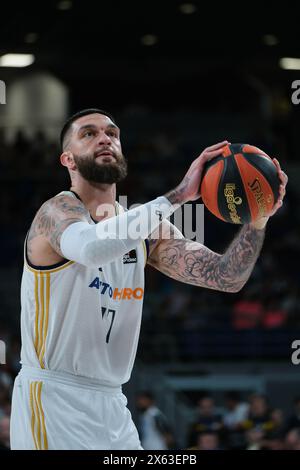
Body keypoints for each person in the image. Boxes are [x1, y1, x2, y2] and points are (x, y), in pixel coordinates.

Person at [10, 108, 288, 450]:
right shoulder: (55, 213)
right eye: (89, 134)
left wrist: (257, 219)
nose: (104, 138)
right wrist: (180, 195)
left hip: (113, 404)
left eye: (112, 133)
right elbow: (91, 247)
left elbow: (226, 276)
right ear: (67, 159)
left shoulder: (146, 230)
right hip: (54, 399)